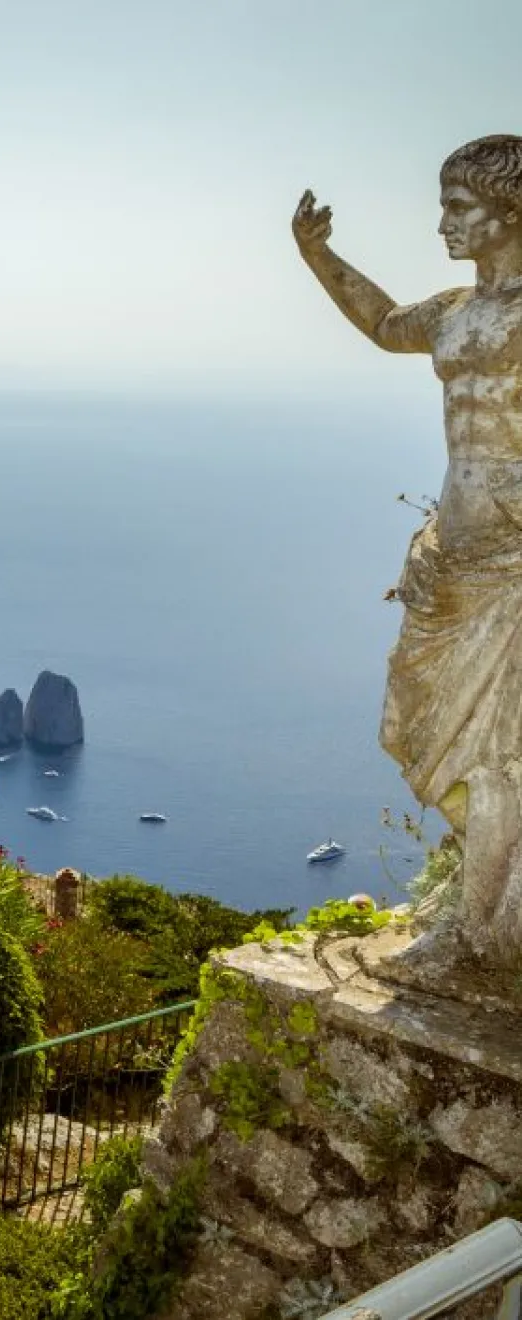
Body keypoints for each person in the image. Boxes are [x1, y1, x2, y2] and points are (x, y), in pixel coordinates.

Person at [294, 134, 522, 966]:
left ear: (510, 212)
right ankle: (484, 903)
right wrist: (318, 256)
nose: (442, 224)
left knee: (501, 753)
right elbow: (387, 325)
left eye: (459, 207)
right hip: (453, 554)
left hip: (513, 559)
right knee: (416, 725)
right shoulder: (455, 312)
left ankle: (488, 927)